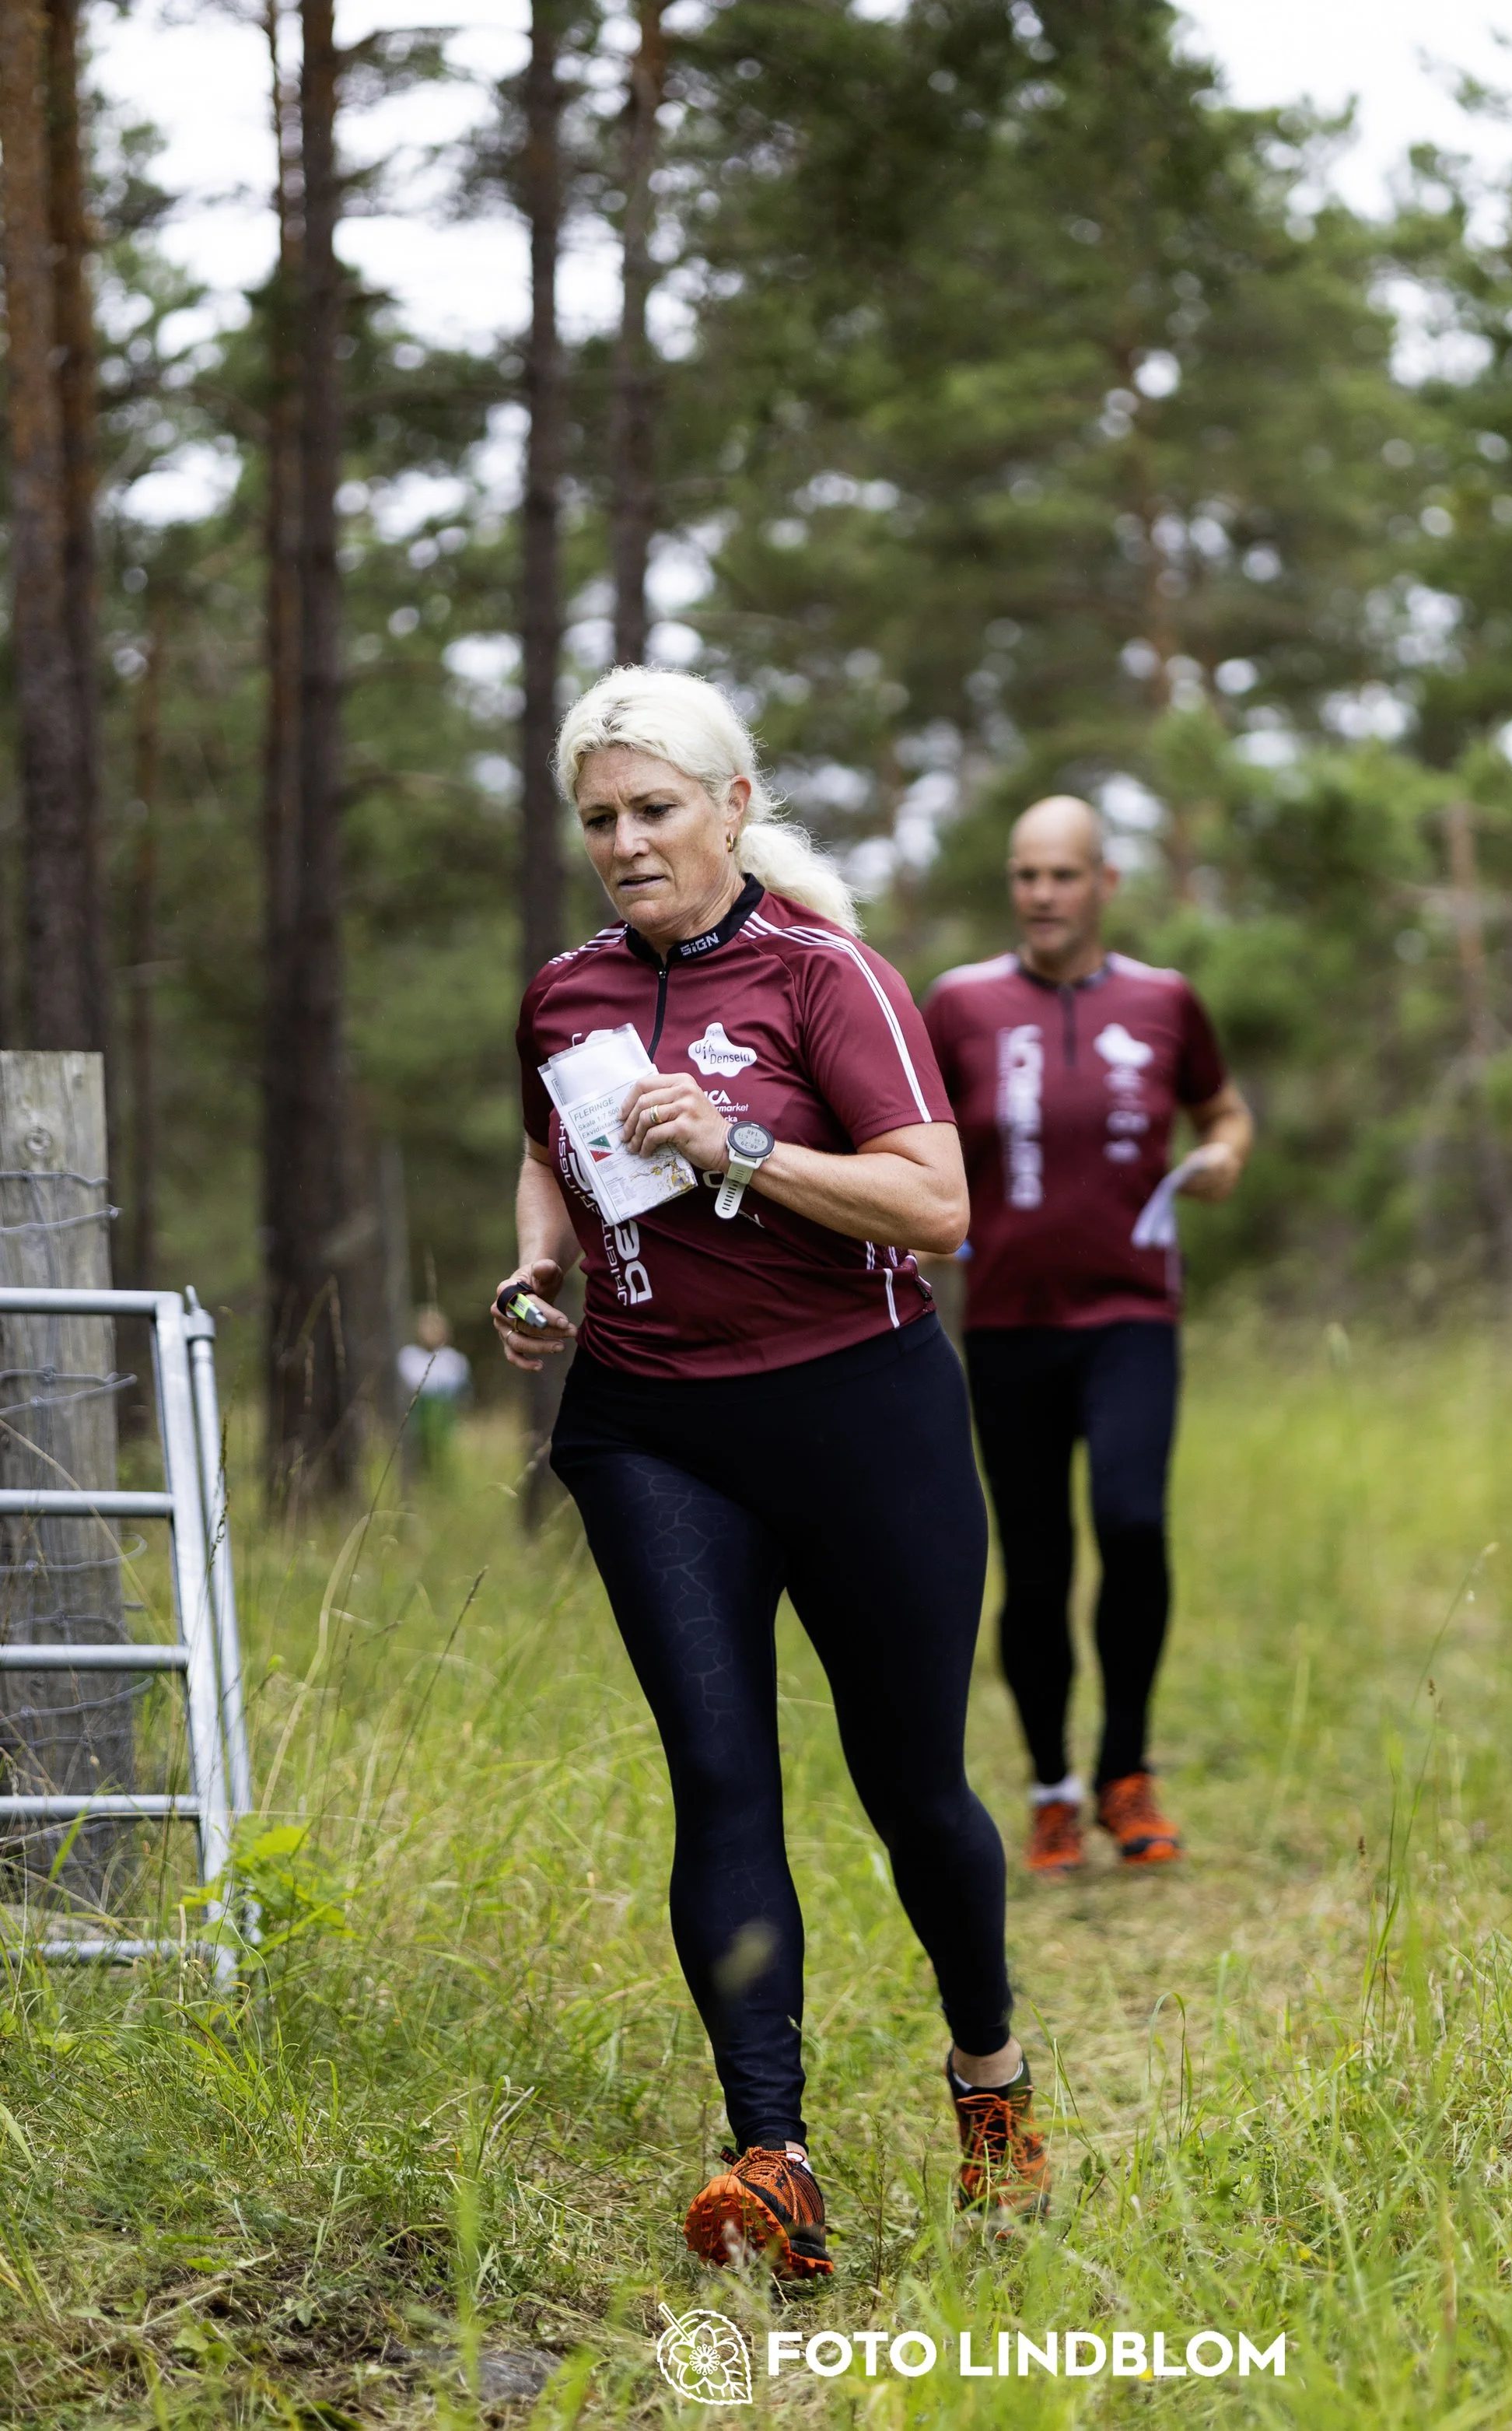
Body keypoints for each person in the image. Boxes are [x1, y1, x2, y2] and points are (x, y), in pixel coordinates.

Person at [491, 665, 1046, 2286]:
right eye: (597, 817)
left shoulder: (830, 978)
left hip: (860, 1418)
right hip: (651, 1423)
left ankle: (990, 2078)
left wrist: (736, 1145)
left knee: (909, 1786)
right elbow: (543, 1142)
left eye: (653, 807)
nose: (623, 841)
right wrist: (537, 1270)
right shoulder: (564, 989)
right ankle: (770, 2153)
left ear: (731, 806)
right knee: (721, 1775)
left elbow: (935, 1202)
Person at [923, 796, 1253, 1877]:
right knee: (1035, 1562)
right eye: (1026, 875)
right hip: (1009, 1322)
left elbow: (1226, 1110)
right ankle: (1053, 1786)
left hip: (1131, 1317)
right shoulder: (960, 1005)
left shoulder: (1165, 1000)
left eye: (1064, 875)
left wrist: (1223, 1157)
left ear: (1105, 883)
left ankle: (1126, 1770)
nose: (1043, 894)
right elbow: (903, 1133)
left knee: (1132, 1521)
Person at [395, 1305, 470, 1476]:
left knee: (443, 1455)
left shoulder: (454, 1359)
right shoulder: (409, 1356)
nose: (431, 1332)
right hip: (417, 1418)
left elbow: (460, 1391)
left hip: (444, 1417)